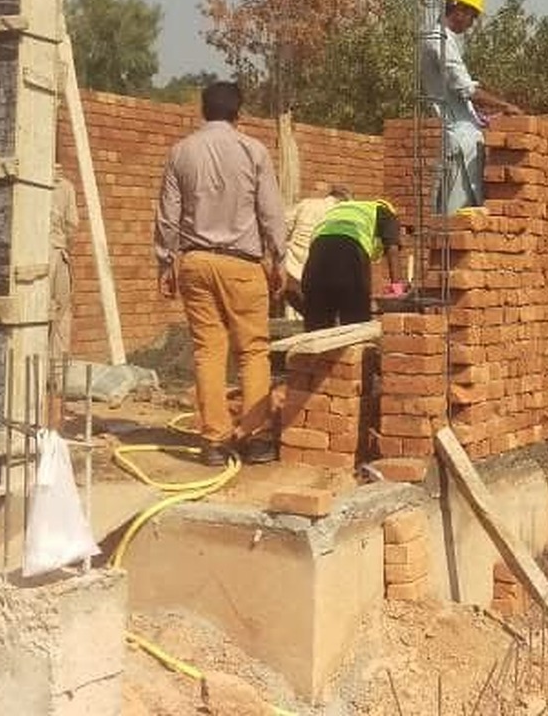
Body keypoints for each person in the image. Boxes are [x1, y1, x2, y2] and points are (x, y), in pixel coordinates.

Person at [154, 81, 286, 466]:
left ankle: (214, 441)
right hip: (242, 265)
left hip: (195, 263)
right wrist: (278, 258)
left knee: (208, 351)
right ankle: (256, 439)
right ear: (238, 113)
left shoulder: (181, 152)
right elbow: (271, 212)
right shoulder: (253, 151)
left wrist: (165, 262)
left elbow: (168, 215)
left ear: (203, 110)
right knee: (253, 351)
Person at [421, 0, 521, 214]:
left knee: (465, 218)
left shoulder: (446, 40)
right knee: (456, 218)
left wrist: (486, 116)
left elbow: (462, 96)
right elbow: (466, 89)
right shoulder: (439, 41)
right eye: (472, 15)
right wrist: (506, 106)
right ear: (457, 7)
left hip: (464, 136)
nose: (472, 22)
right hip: (459, 141)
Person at [301, 199, 406, 330]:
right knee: (355, 327)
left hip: (316, 258)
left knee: (316, 330)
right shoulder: (385, 212)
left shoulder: (343, 210)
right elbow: (392, 250)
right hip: (350, 255)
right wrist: (398, 290)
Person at [283, 182, 351, 315]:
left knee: (294, 298)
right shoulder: (339, 210)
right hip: (320, 262)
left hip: (293, 261)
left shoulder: (305, 204)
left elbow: (284, 226)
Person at [47, 164, 78, 429]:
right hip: (54, 256)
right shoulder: (63, 186)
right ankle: (53, 409)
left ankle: (51, 408)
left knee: (53, 328)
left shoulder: (63, 186)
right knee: (58, 328)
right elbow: (71, 226)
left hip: (46, 255)